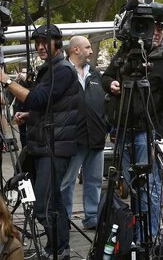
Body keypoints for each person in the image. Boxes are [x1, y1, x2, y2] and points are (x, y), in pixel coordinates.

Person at [0, 24, 79, 259]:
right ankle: (59, 250)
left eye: (44, 42)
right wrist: (29, 116)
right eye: (36, 43)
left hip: (54, 146)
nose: (39, 47)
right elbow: (49, 105)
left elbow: (37, 98)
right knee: (53, 203)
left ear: (58, 42)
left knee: (43, 207)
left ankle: (57, 250)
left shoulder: (63, 69)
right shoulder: (51, 68)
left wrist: (5, 80)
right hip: (46, 144)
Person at [103, 16, 163, 237]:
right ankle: (133, 233)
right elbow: (106, 76)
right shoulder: (127, 52)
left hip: (148, 133)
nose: (155, 32)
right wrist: (111, 84)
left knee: (150, 187)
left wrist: (160, 136)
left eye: (159, 28)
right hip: (123, 130)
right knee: (132, 186)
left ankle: (149, 236)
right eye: (150, 28)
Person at [60, 36, 109, 230]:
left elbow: (103, 101)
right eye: (87, 47)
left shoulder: (94, 73)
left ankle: (92, 217)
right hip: (73, 138)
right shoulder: (63, 72)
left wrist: (105, 125)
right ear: (75, 50)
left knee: (94, 181)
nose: (91, 51)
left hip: (96, 137)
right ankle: (64, 220)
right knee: (67, 182)